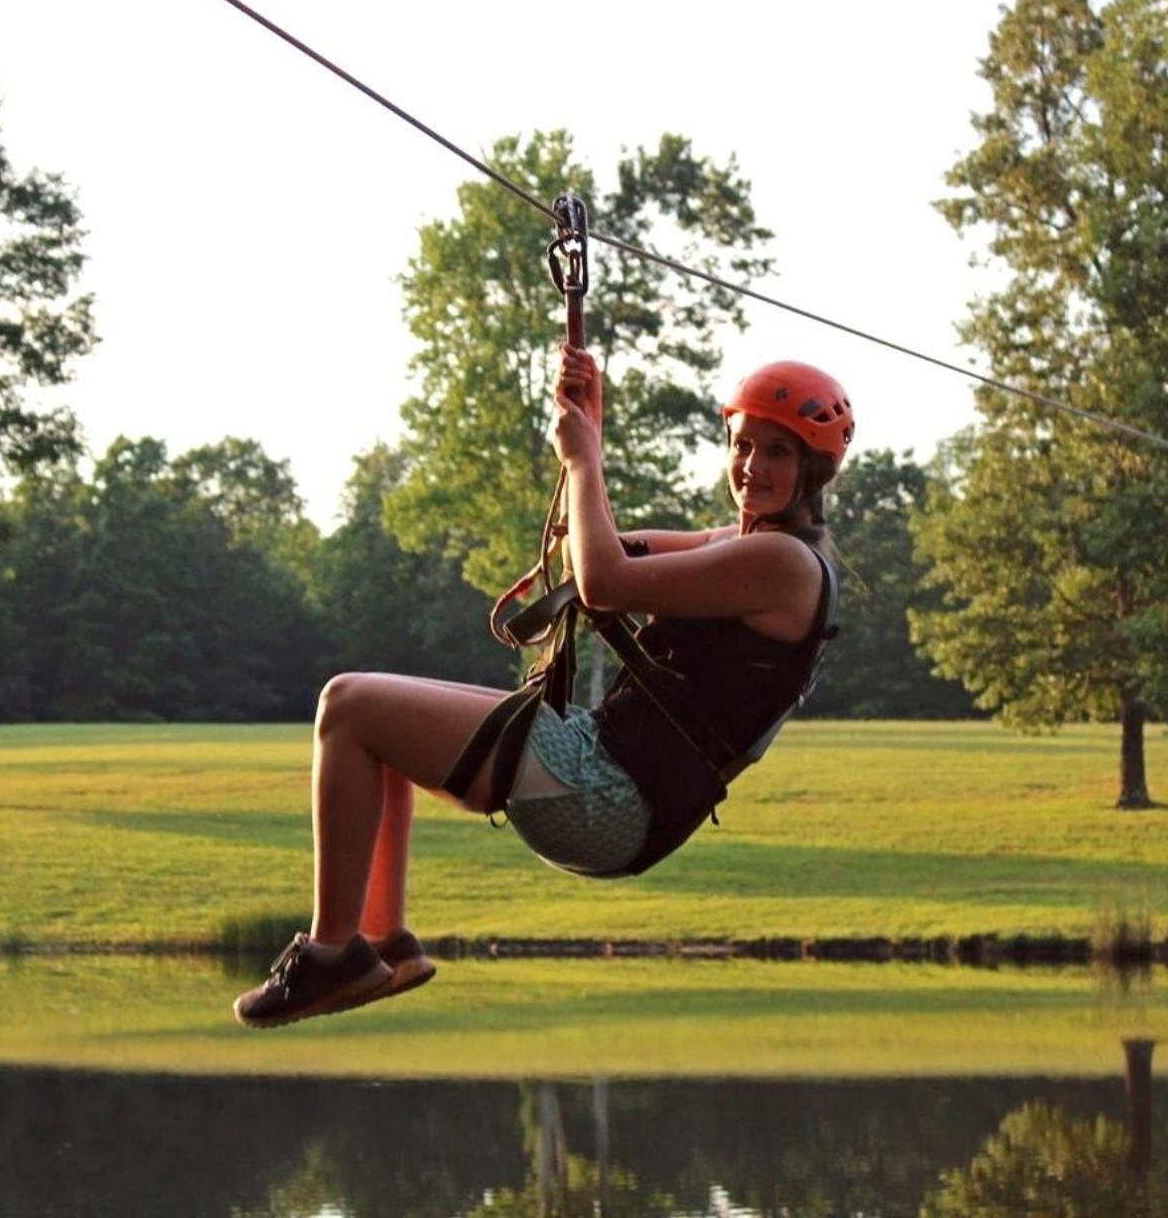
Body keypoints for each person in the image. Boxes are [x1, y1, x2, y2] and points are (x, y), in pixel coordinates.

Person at [232, 347, 853, 1028]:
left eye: (777, 453)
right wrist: (588, 430)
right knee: (368, 716)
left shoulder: (781, 563)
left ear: (813, 470)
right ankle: (384, 944)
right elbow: (590, 550)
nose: (751, 467)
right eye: (742, 445)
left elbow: (603, 583)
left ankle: (332, 954)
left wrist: (584, 462)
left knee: (347, 706)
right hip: (602, 767)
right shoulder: (745, 545)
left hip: (610, 798)